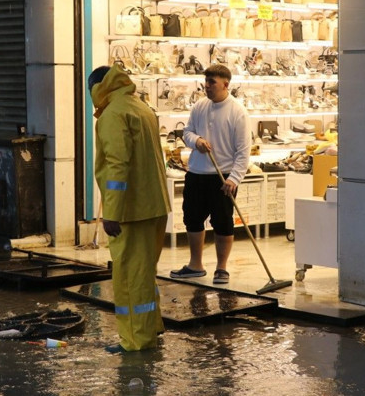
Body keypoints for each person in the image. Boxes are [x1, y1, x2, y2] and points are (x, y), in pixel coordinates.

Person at [88, 65, 171, 352]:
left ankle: (136, 340)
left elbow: (117, 165)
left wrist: (111, 212)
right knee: (145, 272)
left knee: (128, 277)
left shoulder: (113, 114)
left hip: (132, 211)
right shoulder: (141, 107)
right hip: (154, 205)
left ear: (98, 88)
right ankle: (151, 327)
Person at [170, 64, 250, 284]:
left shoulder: (238, 112)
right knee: (192, 219)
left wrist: (234, 178)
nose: (207, 86)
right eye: (206, 82)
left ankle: (221, 268)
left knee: (223, 222)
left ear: (225, 84)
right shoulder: (199, 106)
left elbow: (243, 152)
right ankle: (195, 264)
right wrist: (196, 141)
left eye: (211, 82)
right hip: (196, 173)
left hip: (223, 177)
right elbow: (187, 132)